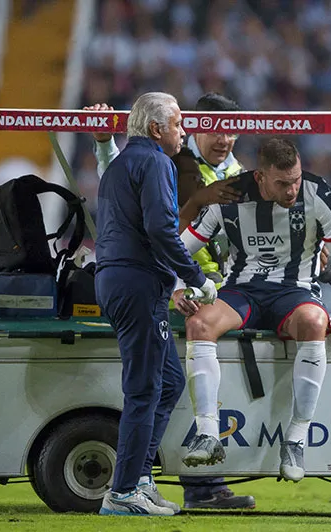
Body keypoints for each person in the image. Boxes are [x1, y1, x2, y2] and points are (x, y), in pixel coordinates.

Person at [88, 92, 257, 510]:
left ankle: (139, 478)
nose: (183, 131)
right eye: (179, 124)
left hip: (119, 278)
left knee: (168, 382)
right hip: (138, 282)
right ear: (156, 129)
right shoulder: (157, 162)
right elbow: (163, 232)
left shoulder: (122, 164)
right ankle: (125, 491)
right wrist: (198, 278)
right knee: (145, 389)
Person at [176, 137, 331, 483]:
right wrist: (176, 289)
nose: (292, 190)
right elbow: (181, 250)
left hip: (295, 290)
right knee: (199, 324)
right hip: (242, 290)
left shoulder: (317, 193)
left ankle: (296, 439)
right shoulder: (228, 195)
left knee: (315, 320)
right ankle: (208, 434)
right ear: (260, 176)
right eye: (282, 183)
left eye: (296, 180)